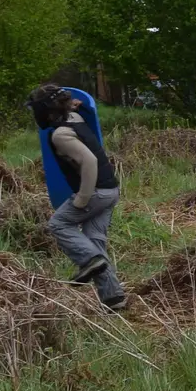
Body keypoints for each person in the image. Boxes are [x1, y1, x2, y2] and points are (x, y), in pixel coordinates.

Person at [26, 83, 127, 311]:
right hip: (111, 190)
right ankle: (114, 298)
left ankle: (90, 260)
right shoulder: (75, 117)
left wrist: (82, 199)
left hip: (96, 193)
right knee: (94, 238)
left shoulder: (61, 134)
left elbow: (89, 161)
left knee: (59, 223)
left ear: (45, 110)